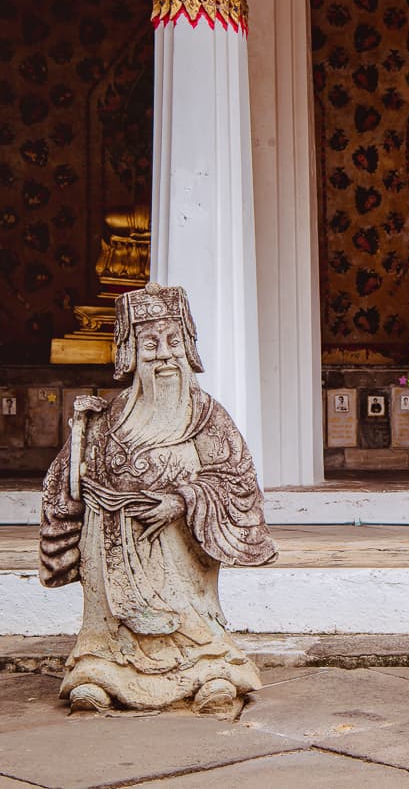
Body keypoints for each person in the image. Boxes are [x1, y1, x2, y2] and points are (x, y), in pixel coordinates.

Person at [39, 283, 277, 714]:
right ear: (130, 353)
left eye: (173, 342)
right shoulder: (106, 416)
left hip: (178, 548)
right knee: (108, 631)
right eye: (150, 344)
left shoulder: (206, 415)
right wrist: (79, 438)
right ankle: (99, 673)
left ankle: (209, 673)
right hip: (110, 549)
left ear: (188, 349)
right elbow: (67, 484)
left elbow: (236, 479)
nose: (164, 355)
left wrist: (183, 500)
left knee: (193, 625)